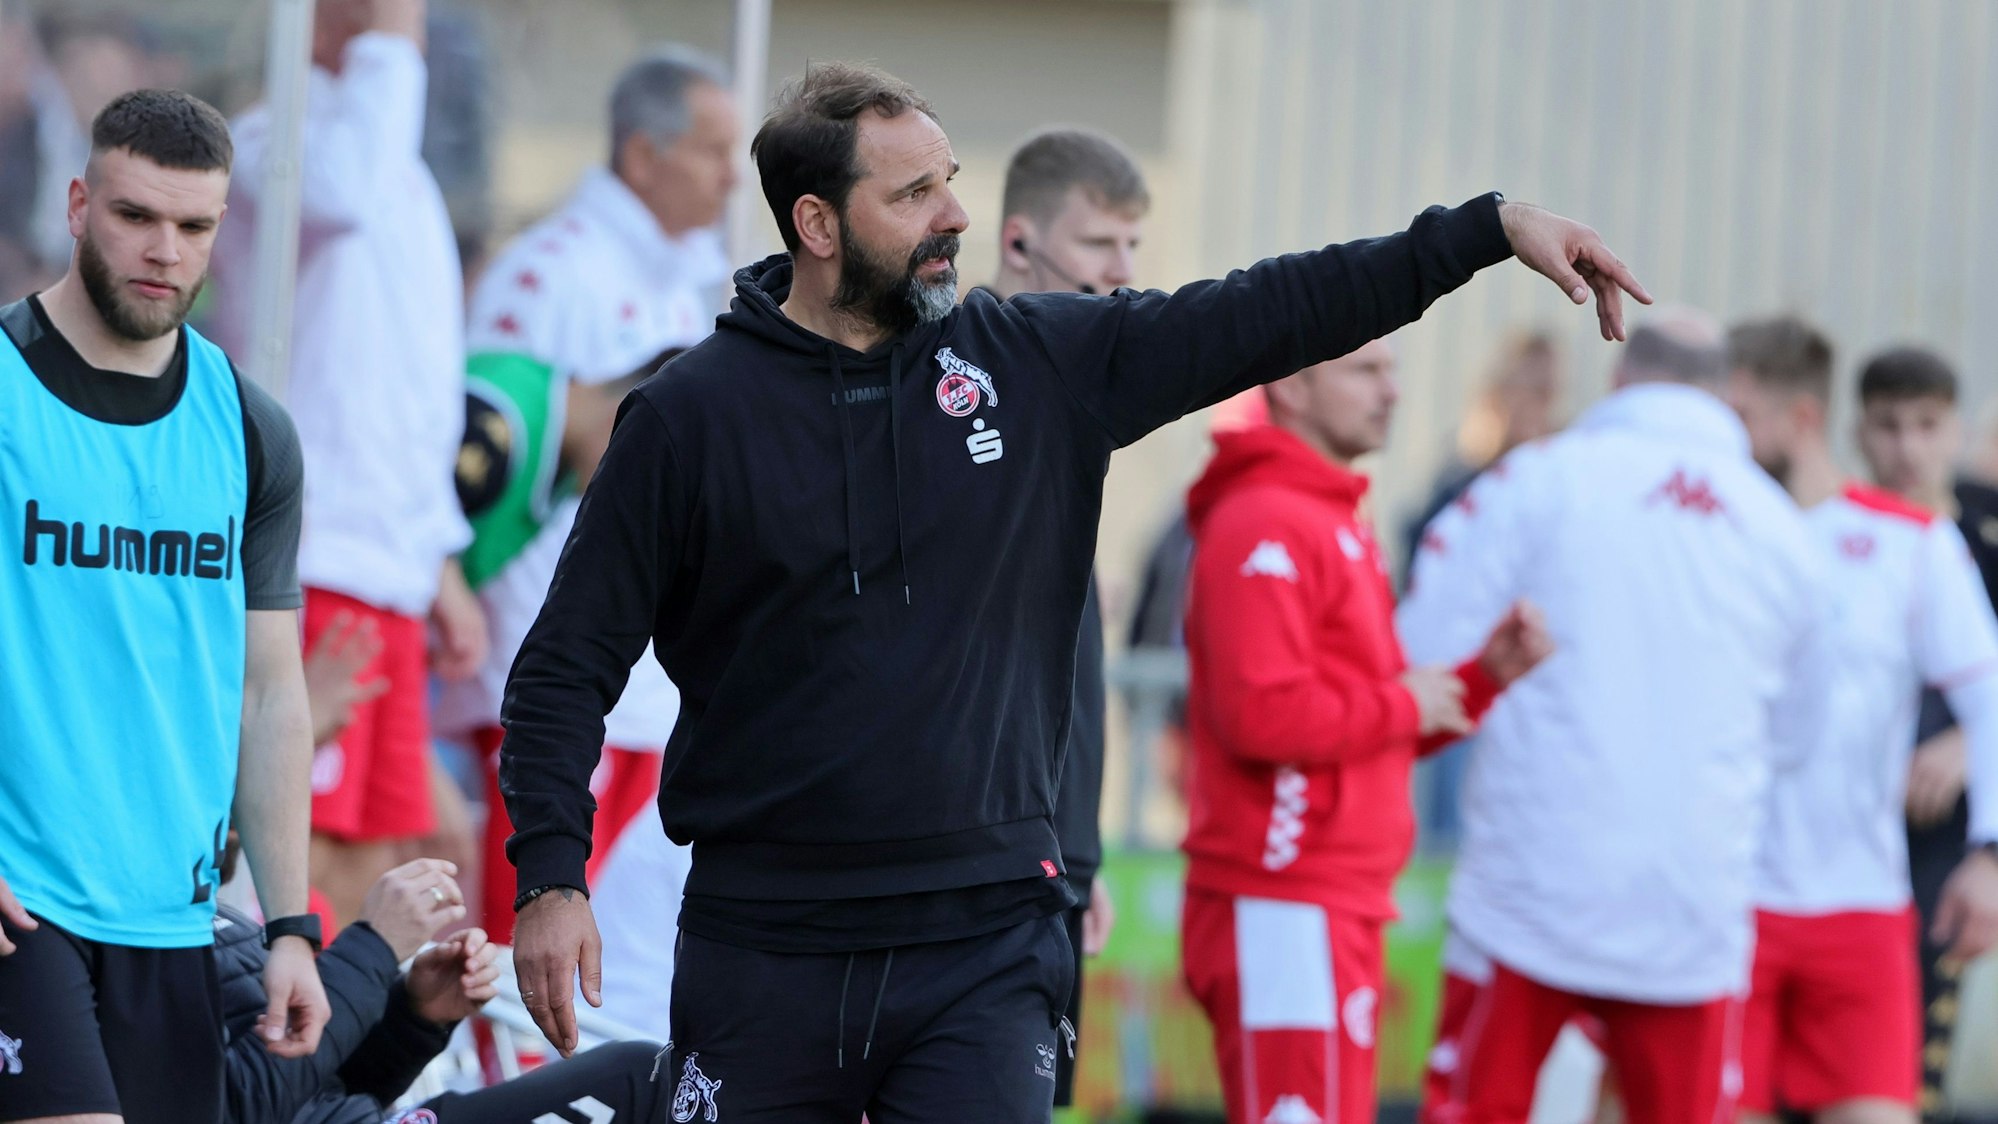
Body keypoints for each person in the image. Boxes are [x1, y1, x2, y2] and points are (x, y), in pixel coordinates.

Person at [500, 59, 1645, 1123]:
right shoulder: (690, 417)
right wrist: (551, 874)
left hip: (987, 946)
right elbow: (566, 662)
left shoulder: (1033, 362)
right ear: (817, 223)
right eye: (914, 194)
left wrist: (1484, 231)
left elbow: (1267, 309)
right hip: (766, 945)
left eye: (951, 180)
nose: (955, 214)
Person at [1400, 310, 1828, 1124]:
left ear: (1620, 379)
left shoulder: (1534, 481)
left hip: (1527, 892)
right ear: (1725, 393)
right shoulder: (1784, 534)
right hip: (1691, 908)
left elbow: (1419, 655)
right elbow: (1800, 736)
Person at [0, 88, 328, 1123]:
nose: (164, 251)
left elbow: (269, 693)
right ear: (77, 204)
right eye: (135, 215)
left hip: (174, 917)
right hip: (20, 905)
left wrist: (290, 926)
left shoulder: (252, 428)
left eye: (193, 226)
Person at [1178, 339, 1552, 1124]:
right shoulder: (1264, 518)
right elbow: (1261, 716)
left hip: (1331, 903)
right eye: (1365, 371)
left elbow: (1365, 725)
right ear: (1291, 385)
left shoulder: (1331, 514)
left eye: (1393, 371)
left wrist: (1480, 680)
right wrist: (1405, 704)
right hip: (1282, 901)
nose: (1392, 393)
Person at [442, 42, 734, 947]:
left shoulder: (687, 278)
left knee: (623, 949)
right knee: (532, 941)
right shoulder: (548, 273)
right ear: (643, 155)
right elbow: (477, 460)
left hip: (652, 682)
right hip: (548, 670)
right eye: (713, 152)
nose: (732, 177)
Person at [214, 0, 485, 927]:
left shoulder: (393, 160)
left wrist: (437, 558)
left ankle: (353, 1017)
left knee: (395, 845)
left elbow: (410, 384)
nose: (399, 25)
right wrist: (390, 52)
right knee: (308, 840)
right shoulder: (272, 139)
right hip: (313, 553)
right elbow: (343, 192)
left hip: (387, 568)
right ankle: (288, 1013)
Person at [1722, 319, 1998, 1124]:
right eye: (1889, 425)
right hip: (1728, 906)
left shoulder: (1919, 541)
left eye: (1738, 417)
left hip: (1872, 896)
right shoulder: (1718, 533)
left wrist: (1990, 853)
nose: (1908, 448)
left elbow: (1988, 692)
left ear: (1800, 417)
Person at [974, 123, 1150, 1108]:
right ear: (1019, 241)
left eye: (1132, 246)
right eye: (1098, 243)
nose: (1121, 272)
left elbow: (1059, 665)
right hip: (977, 867)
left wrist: (1084, 852)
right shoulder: (957, 390)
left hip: (1054, 858)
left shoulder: (1073, 382)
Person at [214, 850, 670, 1124]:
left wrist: (413, 1017)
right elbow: (228, 1107)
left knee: (656, 1078)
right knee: (642, 1079)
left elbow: (317, 1086)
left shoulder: (211, 916)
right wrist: (374, 945)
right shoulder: (167, 947)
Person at [1854, 345, 1998, 1124]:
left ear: (1957, 430)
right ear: (1858, 431)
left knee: (1906, 1069)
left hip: (1944, 837)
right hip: (1839, 834)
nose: (1907, 448)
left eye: (1927, 425)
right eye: (1889, 426)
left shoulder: (1986, 531)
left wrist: (1974, 739)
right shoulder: (1835, 530)